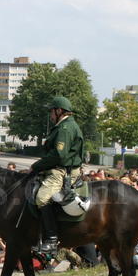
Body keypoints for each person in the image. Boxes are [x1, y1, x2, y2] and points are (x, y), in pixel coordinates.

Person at [31, 96, 84, 255]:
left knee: (42, 197)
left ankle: (52, 239)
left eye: (51, 111)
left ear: (59, 111)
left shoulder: (65, 129)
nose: (50, 115)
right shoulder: (64, 126)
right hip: (59, 168)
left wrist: (37, 166)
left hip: (61, 170)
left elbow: (59, 155)